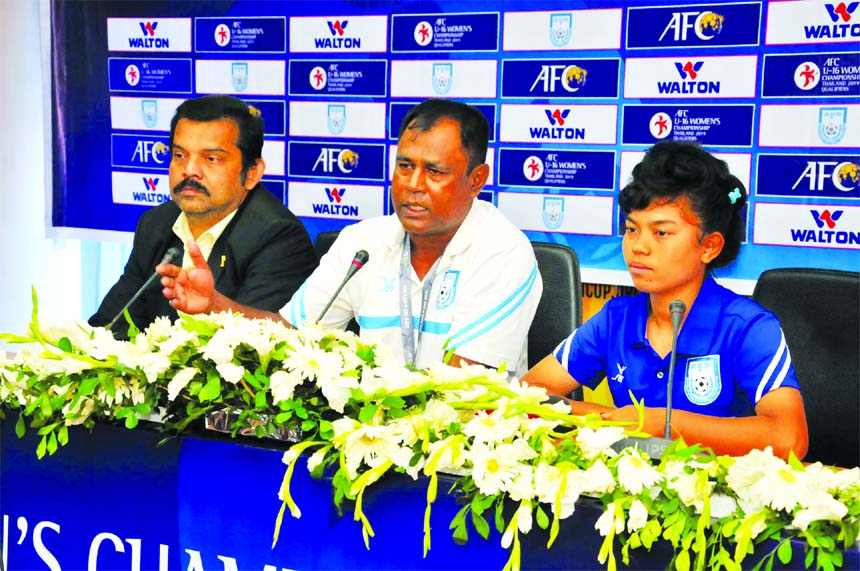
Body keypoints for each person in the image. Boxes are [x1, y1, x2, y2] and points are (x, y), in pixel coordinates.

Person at [158, 99, 542, 377]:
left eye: (435, 172)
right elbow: (293, 335)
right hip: (371, 434)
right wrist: (215, 305)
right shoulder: (364, 243)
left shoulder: (502, 251)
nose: (412, 185)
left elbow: (465, 386)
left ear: (476, 180)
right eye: (404, 166)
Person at [522, 141, 808, 460]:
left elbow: (789, 438)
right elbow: (526, 394)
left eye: (661, 233)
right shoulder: (616, 317)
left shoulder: (748, 327)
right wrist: (606, 419)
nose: (638, 247)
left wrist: (659, 423)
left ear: (709, 246)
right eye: (632, 229)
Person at [90, 95, 317, 339]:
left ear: (252, 173)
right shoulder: (156, 223)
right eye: (180, 155)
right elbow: (112, 322)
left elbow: (254, 346)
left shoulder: (278, 236)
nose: (189, 170)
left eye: (211, 159)